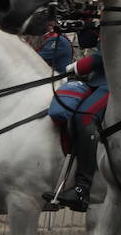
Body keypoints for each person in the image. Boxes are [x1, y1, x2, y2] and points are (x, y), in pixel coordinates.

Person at [43, 46, 108, 212]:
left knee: (85, 117)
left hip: (116, 80)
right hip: (94, 79)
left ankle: (81, 189)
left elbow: (112, 47)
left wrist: (79, 66)